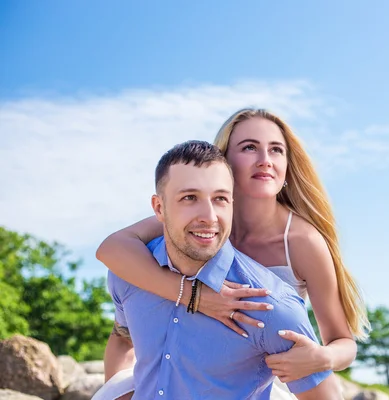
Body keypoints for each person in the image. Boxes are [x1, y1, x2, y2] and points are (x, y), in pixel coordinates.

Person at [96, 108, 370, 397]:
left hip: (270, 369)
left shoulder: (302, 242)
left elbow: (342, 341)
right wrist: (194, 296)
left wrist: (322, 357)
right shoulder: (200, 220)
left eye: (276, 150)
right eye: (250, 147)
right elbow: (112, 249)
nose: (265, 160)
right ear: (223, 159)